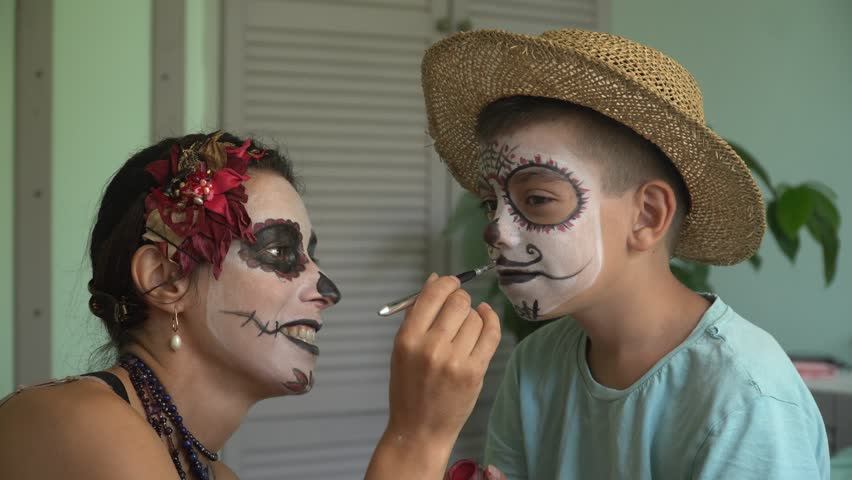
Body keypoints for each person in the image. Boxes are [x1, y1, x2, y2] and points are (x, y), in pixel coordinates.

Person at [421, 29, 829, 478]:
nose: (495, 229)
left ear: (648, 216)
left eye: (536, 199)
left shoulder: (744, 399)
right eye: (490, 203)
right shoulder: (534, 365)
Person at [0, 132, 503, 479]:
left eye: (312, 255)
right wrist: (417, 437)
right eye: (281, 252)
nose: (327, 289)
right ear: (166, 278)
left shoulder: (213, 472)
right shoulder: (81, 422)